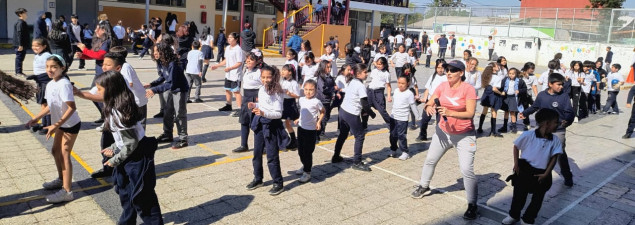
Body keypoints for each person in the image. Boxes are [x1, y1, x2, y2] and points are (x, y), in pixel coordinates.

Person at [411, 60, 479, 220]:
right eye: (447, 69)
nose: (448, 72)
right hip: (443, 133)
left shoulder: (468, 89)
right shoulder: (442, 86)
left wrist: (450, 112)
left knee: (466, 170)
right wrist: (428, 106)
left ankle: (472, 204)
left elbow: (470, 113)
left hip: (464, 135)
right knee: (430, 160)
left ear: (461, 73)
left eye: (453, 70)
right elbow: (431, 100)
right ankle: (424, 186)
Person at [94, 71, 163, 224]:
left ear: (111, 89)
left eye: (99, 89)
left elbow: (131, 143)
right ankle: (127, 221)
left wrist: (115, 159)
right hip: (128, 153)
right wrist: (113, 147)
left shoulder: (120, 111)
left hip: (137, 156)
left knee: (142, 195)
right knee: (124, 190)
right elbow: (123, 139)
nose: (96, 92)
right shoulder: (113, 107)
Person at [26, 55, 81, 203]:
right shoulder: (50, 84)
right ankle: (61, 179)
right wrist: (35, 118)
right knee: (55, 151)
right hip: (60, 124)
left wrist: (56, 125)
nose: (49, 70)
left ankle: (67, 191)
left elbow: (72, 108)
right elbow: (51, 105)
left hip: (70, 124)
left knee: (64, 155)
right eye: (47, 67)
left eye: (54, 67)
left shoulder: (64, 84)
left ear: (62, 68)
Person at [501, 108, 563, 225]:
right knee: (519, 196)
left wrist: (546, 173)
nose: (558, 124)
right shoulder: (528, 135)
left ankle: (528, 218)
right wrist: (516, 163)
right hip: (525, 170)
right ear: (546, 123)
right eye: (556, 122)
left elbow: (554, 157)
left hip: (542, 172)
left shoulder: (555, 140)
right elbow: (516, 146)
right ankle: (514, 215)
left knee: (537, 199)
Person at [519, 73, 575, 187]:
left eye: (562, 84)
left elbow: (569, 112)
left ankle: (567, 176)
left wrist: (567, 121)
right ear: (550, 84)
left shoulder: (564, 96)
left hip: (558, 130)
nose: (561, 87)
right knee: (536, 151)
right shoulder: (541, 96)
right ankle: (533, 175)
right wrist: (525, 113)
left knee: (559, 153)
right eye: (558, 84)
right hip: (542, 128)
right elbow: (534, 107)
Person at [245, 65, 288, 196]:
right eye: (263, 77)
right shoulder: (261, 89)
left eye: (268, 77)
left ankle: (278, 182)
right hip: (259, 124)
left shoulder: (277, 92)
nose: (265, 80)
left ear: (274, 77)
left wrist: (263, 113)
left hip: (272, 126)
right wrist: (255, 105)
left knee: (272, 156)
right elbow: (263, 105)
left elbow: (278, 114)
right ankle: (258, 179)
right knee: (257, 153)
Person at [146, 42, 190, 149]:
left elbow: (171, 83)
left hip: (179, 89)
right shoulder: (160, 62)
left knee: (179, 113)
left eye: (157, 51)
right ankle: (167, 134)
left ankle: (183, 138)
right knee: (167, 111)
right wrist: (151, 84)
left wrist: (154, 90)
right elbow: (163, 77)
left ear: (164, 52)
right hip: (170, 88)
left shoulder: (173, 64)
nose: (154, 53)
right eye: (154, 51)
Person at [331, 63, 375, 171]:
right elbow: (364, 104)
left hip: (343, 111)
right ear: (358, 74)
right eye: (365, 72)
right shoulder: (360, 86)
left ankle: (336, 156)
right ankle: (357, 162)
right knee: (360, 136)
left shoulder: (352, 82)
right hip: (351, 114)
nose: (367, 74)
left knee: (343, 134)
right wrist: (371, 113)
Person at [77, 21, 112, 124]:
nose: (95, 30)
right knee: (94, 94)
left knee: (97, 94)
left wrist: (84, 49)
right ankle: (104, 115)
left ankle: (107, 117)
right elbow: (94, 54)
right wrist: (83, 55)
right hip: (99, 72)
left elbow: (100, 56)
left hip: (104, 73)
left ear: (104, 30)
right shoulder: (100, 41)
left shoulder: (107, 42)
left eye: (98, 28)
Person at [294, 79, 325, 183]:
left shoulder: (316, 102)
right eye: (306, 89)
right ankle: (305, 166)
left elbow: (322, 112)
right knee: (300, 151)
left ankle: (307, 173)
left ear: (315, 90)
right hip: (301, 128)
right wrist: (299, 119)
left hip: (311, 130)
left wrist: (319, 122)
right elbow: (303, 112)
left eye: (311, 90)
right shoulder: (301, 99)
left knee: (308, 152)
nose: (308, 92)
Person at [233, 51, 263, 153]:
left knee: (256, 123)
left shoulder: (259, 72)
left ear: (257, 61)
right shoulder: (245, 70)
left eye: (251, 60)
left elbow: (263, 86)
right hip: (246, 97)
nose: (248, 61)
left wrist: (260, 98)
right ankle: (243, 145)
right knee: (244, 121)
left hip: (255, 97)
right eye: (247, 59)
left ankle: (261, 146)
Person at [26, 38, 52, 135]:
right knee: (42, 104)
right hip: (40, 83)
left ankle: (47, 124)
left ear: (44, 46)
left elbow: (52, 69)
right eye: (33, 46)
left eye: (37, 46)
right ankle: (44, 122)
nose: (34, 48)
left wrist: (41, 77)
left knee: (46, 104)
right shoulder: (38, 55)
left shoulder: (47, 56)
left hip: (46, 83)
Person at [390, 75, 420, 160]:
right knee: (392, 135)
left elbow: (413, 105)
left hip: (402, 118)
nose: (400, 85)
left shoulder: (409, 93)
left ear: (408, 84)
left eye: (403, 83)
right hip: (393, 117)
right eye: (399, 83)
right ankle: (393, 149)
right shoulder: (396, 91)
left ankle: (405, 152)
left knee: (401, 135)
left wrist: (417, 116)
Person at [212, 32, 244, 113]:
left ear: (236, 39)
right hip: (228, 74)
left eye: (231, 37)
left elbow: (239, 62)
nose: (228, 39)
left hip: (235, 74)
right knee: (227, 90)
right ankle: (228, 105)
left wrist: (230, 68)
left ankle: (240, 109)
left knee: (236, 91)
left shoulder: (238, 49)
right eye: (228, 37)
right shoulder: (228, 48)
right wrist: (217, 66)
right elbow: (226, 60)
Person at [416, 59, 447, 142]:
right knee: (424, 120)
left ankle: (440, 138)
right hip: (430, 101)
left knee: (439, 122)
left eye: (442, 67)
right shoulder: (433, 76)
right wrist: (425, 100)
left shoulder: (446, 78)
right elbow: (427, 89)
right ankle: (422, 135)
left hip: (440, 103)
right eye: (438, 67)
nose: (440, 69)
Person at [362, 57, 391, 130]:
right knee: (365, 108)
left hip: (379, 93)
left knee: (382, 110)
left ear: (384, 65)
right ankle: (364, 125)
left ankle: (391, 125)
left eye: (380, 64)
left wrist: (389, 96)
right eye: (377, 64)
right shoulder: (374, 71)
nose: (378, 65)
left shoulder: (386, 74)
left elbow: (388, 86)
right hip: (370, 91)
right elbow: (372, 80)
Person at [495, 68, 527, 134]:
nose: (511, 75)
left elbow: (524, 89)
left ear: (516, 74)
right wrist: (502, 91)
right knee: (506, 112)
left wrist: (519, 91)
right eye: (510, 73)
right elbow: (501, 86)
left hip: (513, 98)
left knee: (512, 112)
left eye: (513, 74)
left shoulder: (520, 81)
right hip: (506, 97)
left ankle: (514, 127)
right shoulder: (505, 80)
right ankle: (504, 126)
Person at [476, 63, 503, 137]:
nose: (499, 67)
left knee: (484, 110)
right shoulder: (497, 77)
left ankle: (480, 128)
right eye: (497, 66)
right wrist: (500, 93)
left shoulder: (487, 76)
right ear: (493, 68)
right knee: (494, 112)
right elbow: (494, 88)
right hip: (493, 95)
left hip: (486, 93)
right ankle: (493, 131)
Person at [315, 60, 336, 141]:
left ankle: (319, 132)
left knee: (326, 117)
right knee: (323, 117)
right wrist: (333, 89)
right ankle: (320, 133)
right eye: (327, 67)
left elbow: (333, 84)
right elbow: (323, 89)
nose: (329, 69)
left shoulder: (329, 76)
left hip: (328, 99)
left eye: (330, 67)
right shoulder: (321, 77)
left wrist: (334, 91)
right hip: (322, 99)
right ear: (323, 67)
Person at [281, 64, 301, 150]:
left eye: (284, 70)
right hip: (283, 102)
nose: (282, 72)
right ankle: (292, 139)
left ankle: (294, 140)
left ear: (290, 72)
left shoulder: (294, 83)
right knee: (286, 123)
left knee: (289, 122)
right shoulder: (283, 81)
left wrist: (290, 93)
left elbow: (297, 95)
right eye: (282, 70)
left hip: (290, 103)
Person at [519, 62, 538, 130]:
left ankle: (526, 123)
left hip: (528, 95)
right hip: (519, 94)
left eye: (533, 69)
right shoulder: (520, 74)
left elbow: (534, 86)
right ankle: (514, 122)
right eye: (531, 68)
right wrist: (522, 75)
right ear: (526, 68)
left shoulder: (533, 76)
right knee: (517, 109)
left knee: (527, 108)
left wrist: (537, 96)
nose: (532, 70)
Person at [13, 8, 29, 77]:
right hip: (19, 44)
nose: (26, 14)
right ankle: (18, 72)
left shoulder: (22, 22)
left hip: (22, 44)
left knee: (21, 57)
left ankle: (19, 71)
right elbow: (19, 34)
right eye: (25, 13)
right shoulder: (20, 23)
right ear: (20, 14)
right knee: (19, 57)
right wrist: (20, 45)